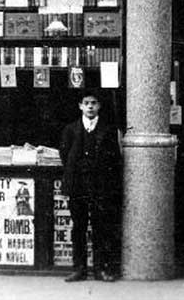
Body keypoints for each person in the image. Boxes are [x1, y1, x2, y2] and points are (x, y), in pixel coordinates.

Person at [59, 91, 121, 283]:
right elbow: (65, 154)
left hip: (100, 186)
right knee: (78, 228)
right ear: (80, 106)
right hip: (78, 186)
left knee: (101, 229)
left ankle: (100, 269)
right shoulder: (71, 130)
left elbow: (114, 158)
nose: (90, 106)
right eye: (86, 103)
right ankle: (79, 269)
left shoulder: (108, 130)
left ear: (99, 106)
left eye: (94, 103)